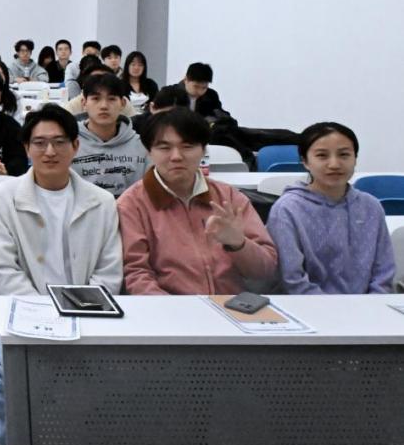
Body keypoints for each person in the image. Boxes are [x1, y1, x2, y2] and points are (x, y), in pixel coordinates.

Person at [0, 105, 122, 445]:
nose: (50, 152)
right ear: (26, 148)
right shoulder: (4, 198)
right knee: (10, 371)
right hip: (22, 313)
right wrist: (44, 315)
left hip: (87, 313)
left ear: (76, 146)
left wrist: (76, 314)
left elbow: (109, 271)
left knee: (100, 376)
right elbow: (3, 270)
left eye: (60, 142)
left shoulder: (101, 201)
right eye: (40, 143)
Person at [117, 108, 277, 295]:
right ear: (149, 152)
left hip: (231, 305)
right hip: (168, 308)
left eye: (187, 146)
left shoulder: (229, 197)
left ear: (203, 150)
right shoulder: (132, 204)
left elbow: (266, 270)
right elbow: (136, 274)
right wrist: (176, 309)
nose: (176, 156)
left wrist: (238, 244)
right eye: (164, 148)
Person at [268, 122, 395, 294]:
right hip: (307, 305)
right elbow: (292, 279)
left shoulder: (371, 206)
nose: (334, 164)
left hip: (369, 306)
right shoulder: (287, 209)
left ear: (355, 158)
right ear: (305, 161)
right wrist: (333, 307)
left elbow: (384, 272)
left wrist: (372, 304)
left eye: (344, 155)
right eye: (322, 155)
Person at [70, 74, 149, 196]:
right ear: (84, 103)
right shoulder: (69, 145)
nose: (104, 106)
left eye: (111, 99)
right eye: (96, 98)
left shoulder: (141, 147)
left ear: (123, 103)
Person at [64, 62, 138, 118]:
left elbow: (135, 123)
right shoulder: (73, 105)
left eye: (107, 80)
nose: (104, 106)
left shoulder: (121, 101)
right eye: (96, 98)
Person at [158, 62, 228, 120]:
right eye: (196, 86)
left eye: (204, 87)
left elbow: (220, 115)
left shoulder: (211, 95)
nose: (200, 91)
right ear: (186, 80)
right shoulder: (169, 93)